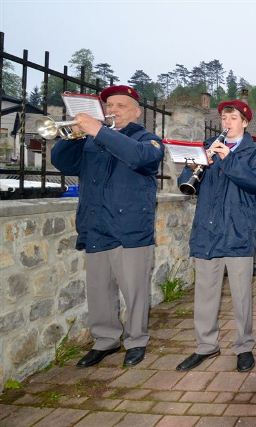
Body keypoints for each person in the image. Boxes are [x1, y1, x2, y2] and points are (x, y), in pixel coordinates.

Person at [51, 85, 164, 368]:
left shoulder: (147, 140)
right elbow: (61, 162)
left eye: (120, 105)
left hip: (130, 229)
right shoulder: (91, 139)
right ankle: (105, 341)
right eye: (109, 105)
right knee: (99, 290)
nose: (113, 110)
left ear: (137, 112)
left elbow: (140, 158)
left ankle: (136, 341)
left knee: (134, 291)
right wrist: (74, 134)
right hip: (96, 225)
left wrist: (99, 131)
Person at [176, 100, 256, 372]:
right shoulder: (207, 147)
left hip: (238, 232)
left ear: (245, 122)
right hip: (207, 232)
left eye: (233, 118)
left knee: (241, 296)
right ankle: (205, 346)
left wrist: (228, 159)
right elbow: (185, 183)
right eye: (223, 118)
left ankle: (244, 346)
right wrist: (196, 166)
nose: (227, 123)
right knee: (205, 294)